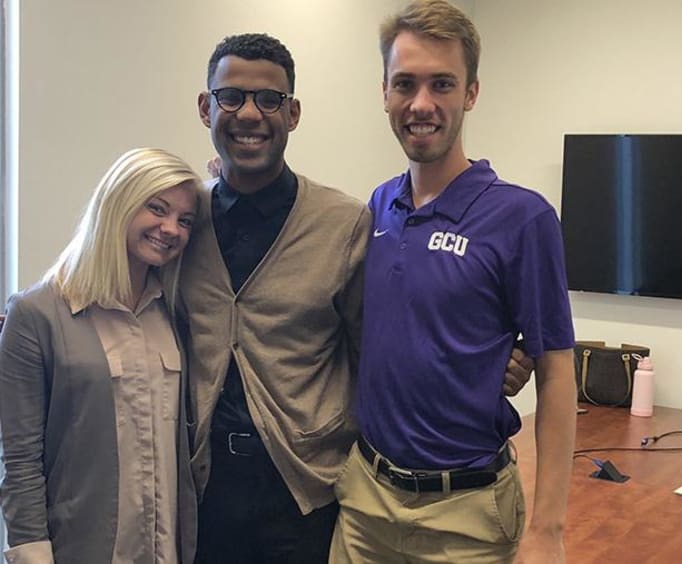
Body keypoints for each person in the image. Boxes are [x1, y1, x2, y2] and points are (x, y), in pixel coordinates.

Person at [171, 33, 534, 564]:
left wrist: (494, 362)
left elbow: (385, 339)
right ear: (207, 107)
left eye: (269, 99)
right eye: (231, 96)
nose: (250, 113)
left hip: (306, 496)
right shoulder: (179, 226)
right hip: (201, 491)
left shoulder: (344, 225)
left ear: (292, 113)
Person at [330, 1, 578, 563]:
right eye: (405, 84)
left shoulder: (523, 218)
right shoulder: (379, 205)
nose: (422, 104)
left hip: (465, 519)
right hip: (364, 504)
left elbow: (557, 369)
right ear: (385, 93)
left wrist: (548, 531)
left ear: (471, 93)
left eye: (442, 84)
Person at [0, 148, 201, 563]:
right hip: (82, 549)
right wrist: (32, 554)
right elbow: (19, 459)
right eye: (157, 209)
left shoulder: (175, 312)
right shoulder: (35, 314)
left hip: (169, 551)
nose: (171, 229)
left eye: (185, 220)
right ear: (119, 203)